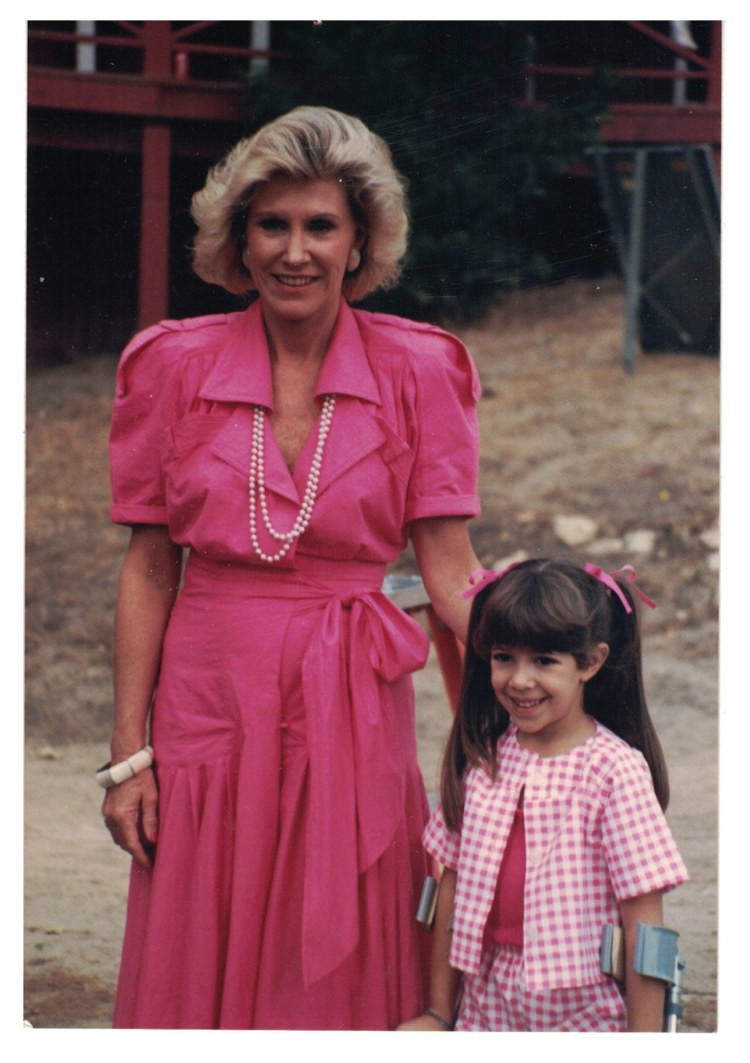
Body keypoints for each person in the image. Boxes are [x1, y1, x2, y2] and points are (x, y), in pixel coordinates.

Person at [100, 105, 482, 1030]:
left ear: (360, 242)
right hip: (208, 697)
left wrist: (537, 713)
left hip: (351, 695)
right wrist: (125, 758)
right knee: (205, 923)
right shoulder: (169, 364)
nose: (296, 251)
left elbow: (452, 577)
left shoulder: (420, 367)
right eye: (273, 224)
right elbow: (150, 571)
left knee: (347, 921)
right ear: (240, 238)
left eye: (321, 226)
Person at [399, 558, 688, 1032]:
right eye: (504, 657)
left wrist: (645, 1041)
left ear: (590, 662)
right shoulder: (484, 762)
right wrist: (438, 1012)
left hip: (581, 1012)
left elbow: (645, 923)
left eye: (545, 661)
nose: (520, 680)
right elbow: (449, 888)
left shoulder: (613, 772)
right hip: (487, 1002)